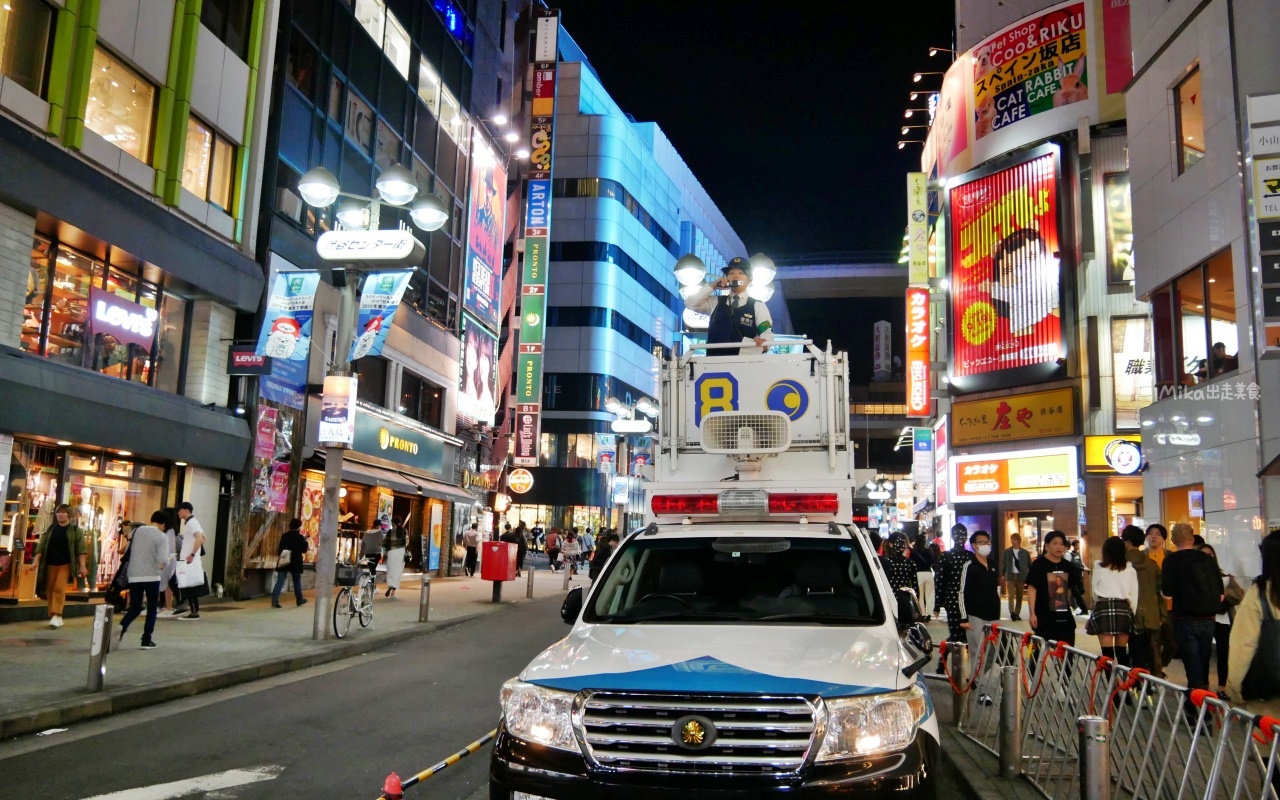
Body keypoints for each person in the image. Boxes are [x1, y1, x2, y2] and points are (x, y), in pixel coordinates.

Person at [1162, 523, 1224, 695]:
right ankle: (1202, 702)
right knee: (1203, 662)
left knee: (1192, 664)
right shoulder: (1208, 560)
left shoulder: (1171, 560)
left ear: (1173, 539)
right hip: (1209, 618)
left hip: (1184, 618)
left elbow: (1167, 592)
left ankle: (1197, 706)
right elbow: (1220, 592)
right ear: (1192, 538)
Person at [1228, 531, 1280, 714]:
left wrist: (1235, 687)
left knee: (1268, 740)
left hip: (1269, 691)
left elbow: (1243, 645)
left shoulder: (1260, 593)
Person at [682, 256, 774, 356]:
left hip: (744, 363)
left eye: (741, 273)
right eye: (731, 273)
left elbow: (766, 332)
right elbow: (690, 303)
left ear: (750, 280)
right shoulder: (716, 301)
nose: (735, 276)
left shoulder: (758, 305)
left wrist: (763, 342)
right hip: (714, 362)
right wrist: (712, 286)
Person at [989, 227, 1060, 338]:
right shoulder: (1012, 293)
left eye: (1032, 257)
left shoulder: (1047, 286)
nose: (1020, 272)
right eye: (1008, 270)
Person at [958, 530, 1001, 705]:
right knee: (977, 653)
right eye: (981, 542)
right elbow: (962, 592)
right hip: (975, 615)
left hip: (994, 616)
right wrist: (963, 618)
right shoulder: (969, 565)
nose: (985, 545)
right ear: (974, 545)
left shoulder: (992, 564)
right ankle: (983, 691)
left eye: (987, 541)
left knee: (992, 653)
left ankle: (976, 679)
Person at [117, 512, 171, 649]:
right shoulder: (161, 536)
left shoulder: (136, 532)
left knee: (135, 606)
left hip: (134, 575)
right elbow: (163, 559)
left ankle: (121, 627)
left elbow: (127, 550)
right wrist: (164, 564)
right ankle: (146, 640)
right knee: (152, 608)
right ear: (163, 524)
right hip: (152, 576)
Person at [30, 504, 89, 629]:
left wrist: (82, 566)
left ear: (69, 515)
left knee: (59, 588)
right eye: (58, 512)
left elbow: (81, 549)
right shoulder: (51, 529)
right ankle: (54, 615)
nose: (60, 515)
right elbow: (42, 545)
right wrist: (36, 562)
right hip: (50, 563)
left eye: (63, 512)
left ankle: (57, 613)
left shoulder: (75, 531)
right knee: (50, 589)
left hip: (66, 564)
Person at [1026, 530, 1086, 646]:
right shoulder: (1038, 565)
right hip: (1044, 616)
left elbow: (1069, 590)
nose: (1059, 547)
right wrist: (1032, 613)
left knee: (1066, 653)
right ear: (1047, 546)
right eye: (1055, 543)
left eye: (1061, 544)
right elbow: (1032, 589)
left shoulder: (1068, 566)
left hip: (1063, 616)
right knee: (1040, 652)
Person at [1121, 525, 1166, 674]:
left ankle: (1135, 682)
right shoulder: (1152, 564)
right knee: (1152, 651)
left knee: (1133, 650)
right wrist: (1162, 614)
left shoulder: (1120, 564)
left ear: (1126, 542)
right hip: (1151, 613)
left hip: (1128, 613)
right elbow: (1160, 591)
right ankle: (1153, 682)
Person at [1087, 536, 1139, 666]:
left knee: (1107, 654)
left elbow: (1094, 593)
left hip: (1103, 607)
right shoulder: (1130, 570)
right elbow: (1134, 595)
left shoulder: (1099, 569)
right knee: (1122, 652)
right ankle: (1129, 683)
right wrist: (1132, 613)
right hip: (1123, 608)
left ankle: (1112, 684)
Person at [1199, 543, 1239, 698]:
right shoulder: (1193, 577)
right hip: (1203, 618)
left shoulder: (1225, 576)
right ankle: (1204, 686)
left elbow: (1239, 594)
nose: (1208, 556)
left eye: (1210, 554)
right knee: (1204, 653)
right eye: (1203, 554)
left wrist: (1223, 592)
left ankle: (1223, 686)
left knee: (1224, 652)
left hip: (1223, 619)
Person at [936, 524, 973, 642]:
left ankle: (945, 655)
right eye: (958, 535)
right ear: (952, 536)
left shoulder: (971, 556)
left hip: (968, 598)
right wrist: (937, 603)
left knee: (966, 634)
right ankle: (945, 656)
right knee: (956, 632)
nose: (961, 538)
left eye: (963, 535)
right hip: (952, 598)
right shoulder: (946, 556)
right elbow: (939, 580)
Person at [175, 502, 207, 620]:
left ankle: (194, 612)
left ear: (186, 511)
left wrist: (192, 553)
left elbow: (200, 538)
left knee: (189, 585)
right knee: (189, 583)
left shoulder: (192, 523)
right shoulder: (192, 522)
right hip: (190, 558)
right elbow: (204, 538)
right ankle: (193, 611)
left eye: (180, 510)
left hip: (189, 559)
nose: (178, 512)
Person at [272, 518, 309, 608]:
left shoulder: (284, 536)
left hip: (284, 560)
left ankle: (274, 601)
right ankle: (299, 599)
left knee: (280, 581)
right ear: (298, 527)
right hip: (295, 562)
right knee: (296, 581)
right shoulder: (299, 537)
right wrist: (305, 541)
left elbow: (279, 550)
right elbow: (303, 549)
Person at [879, 533, 919, 603]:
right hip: (903, 599)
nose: (902, 546)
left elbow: (915, 586)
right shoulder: (909, 562)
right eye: (899, 543)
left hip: (889, 599)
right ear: (891, 544)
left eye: (904, 543)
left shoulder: (883, 561)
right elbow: (915, 586)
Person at [1002, 532, 1030, 621]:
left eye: (1015, 539)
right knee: (1011, 595)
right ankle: (1012, 612)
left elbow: (1029, 565)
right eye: (1012, 539)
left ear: (1019, 541)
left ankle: (1017, 613)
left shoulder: (1025, 553)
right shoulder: (1007, 552)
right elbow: (1004, 564)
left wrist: (1029, 576)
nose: (1013, 541)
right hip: (1010, 575)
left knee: (1019, 595)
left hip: (1021, 576)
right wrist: (1003, 574)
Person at [909, 534, 936, 621]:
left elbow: (911, 564)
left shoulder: (912, 553)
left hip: (918, 574)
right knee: (930, 594)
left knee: (919, 595)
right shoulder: (928, 551)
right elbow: (932, 562)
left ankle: (922, 613)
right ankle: (929, 614)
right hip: (928, 573)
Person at [383, 515, 408, 598]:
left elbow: (386, 543)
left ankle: (390, 585)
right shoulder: (404, 531)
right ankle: (393, 591)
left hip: (392, 552)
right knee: (398, 572)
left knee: (391, 571)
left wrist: (384, 552)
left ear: (393, 523)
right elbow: (407, 542)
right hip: (401, 552)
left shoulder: (390, 532)